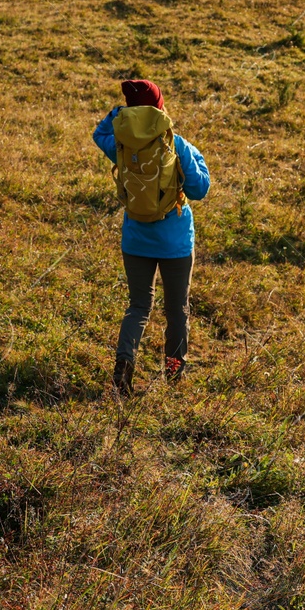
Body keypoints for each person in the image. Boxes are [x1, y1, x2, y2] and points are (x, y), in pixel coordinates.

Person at [92, 79, 210, 396]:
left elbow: (98, 134)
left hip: (135, 240)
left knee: (139, 307)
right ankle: (174, 374)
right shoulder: (177, 145)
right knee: (177, 311)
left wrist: (119, 112)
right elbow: (200, 189)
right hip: (176, 243)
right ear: (160, 107)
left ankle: (124, 367)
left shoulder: (120, 143)